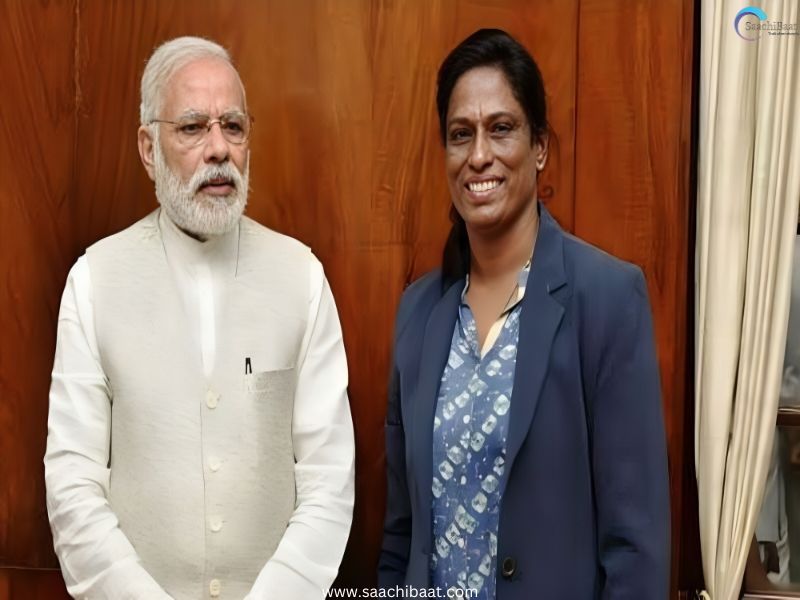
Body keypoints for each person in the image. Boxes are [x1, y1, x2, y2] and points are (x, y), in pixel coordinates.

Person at [44, 36, 354, 600]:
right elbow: (73, 484)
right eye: (192, 127)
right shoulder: (93, 281)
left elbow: (329, 479)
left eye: (232, 126)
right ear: (148, 148)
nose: (218, 149)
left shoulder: (302, 277)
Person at [378, 29, 670, 599]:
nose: (479, 154)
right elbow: (400, 534)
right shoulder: (418, 313)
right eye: (461, 135)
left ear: (539, 146)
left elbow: (636, 547)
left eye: (501, 128)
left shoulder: (607, 299)